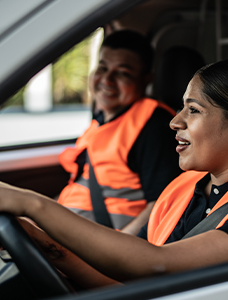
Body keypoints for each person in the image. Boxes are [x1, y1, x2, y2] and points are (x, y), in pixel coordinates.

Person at [0, 58, 228, 288]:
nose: (174, 121)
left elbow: (157, 266)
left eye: (192, 110)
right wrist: (43, 243)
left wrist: (33, 204)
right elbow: (129, 282)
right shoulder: (186, 187)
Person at [56, 30, 182, 234]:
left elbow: (161, 203)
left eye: (122, 73)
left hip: (98, 245)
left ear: (146, 80)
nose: (107, 80)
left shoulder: (153, 125)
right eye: (102, 68)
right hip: (68, 230)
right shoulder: (101, 120)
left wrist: (120, 250)